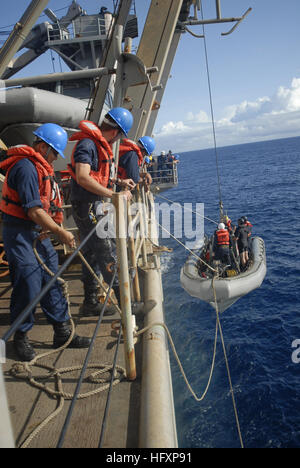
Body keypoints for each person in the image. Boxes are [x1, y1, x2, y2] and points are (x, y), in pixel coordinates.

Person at [0, 123, 91, 362]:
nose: (53, 161)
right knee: (28, 280)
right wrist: (59, 231)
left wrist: (48, 228)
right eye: (53, 154)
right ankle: (20, 337)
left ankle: (62, 331)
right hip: (19, 231)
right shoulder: (25, 168)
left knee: (52, 275)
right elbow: (32, 210)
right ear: (42, 147)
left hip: (37, 230)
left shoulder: (40, 167)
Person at [68, 108, 133, 316]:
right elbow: (83, 177)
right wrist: (114, 195)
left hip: (89, 205)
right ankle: (127, 306)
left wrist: (119, 182)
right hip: (89, 206)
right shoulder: (88, 144)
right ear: (116, 133)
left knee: (92, 254)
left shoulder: (96, 145)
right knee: (108, 252)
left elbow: (98, 175)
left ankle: (90, 301)